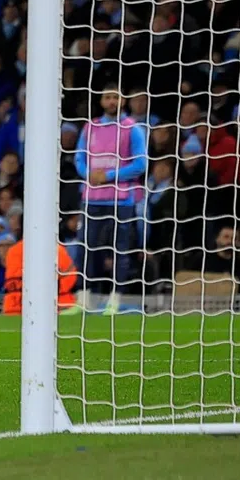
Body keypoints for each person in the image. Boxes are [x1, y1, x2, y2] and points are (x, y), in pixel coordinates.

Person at [73, 87, 146, 313]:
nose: (112, 101)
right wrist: (88, 175)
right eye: (108, 97)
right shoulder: (91, 126)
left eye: (116, 97)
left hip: (121, 200)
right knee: (85, 249)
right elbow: (79, 157)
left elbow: (141, 164)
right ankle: (84, 299)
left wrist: (108, 176)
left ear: (123, 100)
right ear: (101, 100)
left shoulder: (132, 128)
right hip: (92, 198)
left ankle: (114, 300)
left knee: (120, 250)